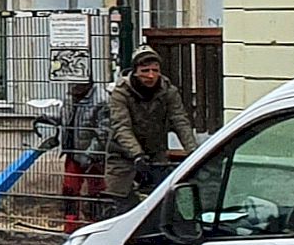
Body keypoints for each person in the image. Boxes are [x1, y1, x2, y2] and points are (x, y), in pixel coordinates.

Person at [106, 47, 198, 206]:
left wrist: (193, 152)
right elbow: (121, 126)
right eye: (145, 71)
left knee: (160, 203)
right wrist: (137, 154)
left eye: (155, 70)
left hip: (156, 155)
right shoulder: (121, 93)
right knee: (121, 203)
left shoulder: (168, 91)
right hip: (123, 158)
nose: (151, 75)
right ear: (135, 72)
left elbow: (180, 120)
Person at [59, 79, 111, 232]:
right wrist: (48, 117)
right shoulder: (70, 97)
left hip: (93, 156)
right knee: (69, 190)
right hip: (73, 152)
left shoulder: (102, 100)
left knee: (96, 193)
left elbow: (104, 132)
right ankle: (70, 226)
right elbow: (66, 118)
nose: (73, 85)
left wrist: (91, 154)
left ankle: (96, 226)